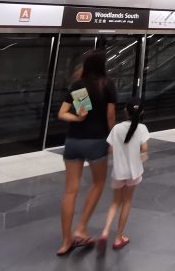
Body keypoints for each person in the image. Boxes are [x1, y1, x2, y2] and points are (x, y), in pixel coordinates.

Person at [56, 50, 117, 256]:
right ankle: (81, 228)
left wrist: (79, 119)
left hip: (73, 141)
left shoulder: (78, 86)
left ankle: (66, 242)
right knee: (98, 184)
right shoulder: (106, 84)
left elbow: (64, 113)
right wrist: (112, 139)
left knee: (70, 191)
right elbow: (110, 117)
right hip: (96, 141)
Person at [97, 103, 150, 253]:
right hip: (133, 172)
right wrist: (141, 157)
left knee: (115, 202)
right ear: (141, 113)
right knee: (127, 202)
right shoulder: (142, 129)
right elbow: (145, 150)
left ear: (125, 112)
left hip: (119, 172)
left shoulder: (117, 128)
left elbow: (110, 149)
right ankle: (119, 237)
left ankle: (105, 231)